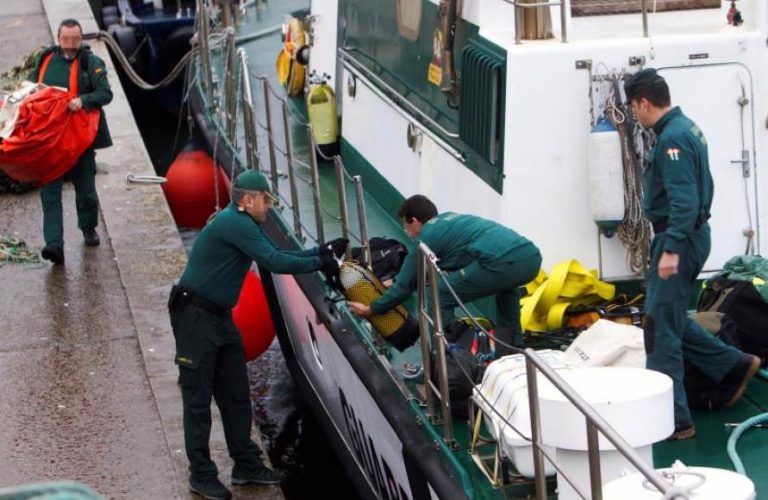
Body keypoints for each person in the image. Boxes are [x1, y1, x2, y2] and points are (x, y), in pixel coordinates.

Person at [168, 169, 345, 500]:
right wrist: (321, 263)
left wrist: (320, 253)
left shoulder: (245, 223)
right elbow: (274, 261)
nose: (269, 207)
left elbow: (278, 252)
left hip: (219, 317)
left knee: (236, 393)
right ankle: (201, 474)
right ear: (247, 200)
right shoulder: (236, 223)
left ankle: (246, 463)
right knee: (198, 400)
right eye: (266, 200)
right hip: (195, 318)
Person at [625, 68, 760, 440]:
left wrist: (670, 249)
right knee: (668, 317)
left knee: (659, 332)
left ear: (644, 103)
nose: (634, 115)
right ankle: (733, 365)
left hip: (678, 240)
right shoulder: (687, 128)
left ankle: (673, 420)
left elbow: (684, 201)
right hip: (689, 237)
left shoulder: (672, 140)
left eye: (634, 108)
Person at [348, 195, 541, 356]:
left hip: (500, 261)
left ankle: (445, 358)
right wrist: (400, 280)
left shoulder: (425, 238)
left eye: (406, 227)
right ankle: (514, 346)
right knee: (506, 289)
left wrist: (371, 309)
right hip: (530, 258)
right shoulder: (451, 220)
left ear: (414, 221)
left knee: (440, 293)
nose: (408, 234)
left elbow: (404, 288)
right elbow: (455, 259)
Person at [28, 18, 113, 265]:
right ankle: (54, 244)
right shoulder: (45, 59)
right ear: (58, 38)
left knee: (85, 189)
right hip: (49, 140)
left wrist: (83, 101)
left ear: (81, 39)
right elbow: (32, 88)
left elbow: (105, 93)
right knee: (49, 193)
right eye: (66, 39)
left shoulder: (91, 62)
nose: (70, 44)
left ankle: (88, 227)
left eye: (75, 39)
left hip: (79, 140)